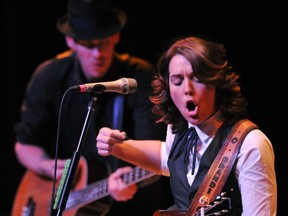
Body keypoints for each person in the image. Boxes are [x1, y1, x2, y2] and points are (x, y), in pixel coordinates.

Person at [13, 0, 169, 215]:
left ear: (116, 36)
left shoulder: (139, 78)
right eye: (88, 44)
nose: (98, 53)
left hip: (130, 205)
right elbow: (25, 145)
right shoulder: (49, 76)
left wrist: (130, 178)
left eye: (103, 42)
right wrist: (49, 167)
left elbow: (159, 153)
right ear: (71, 41)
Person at [96, 36, 277, 215]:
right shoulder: (179, 130)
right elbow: (167, 158)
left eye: (197, 78)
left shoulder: (250, 145)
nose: (187, 89)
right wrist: (117, 147)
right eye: (177, 81)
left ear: (216, 82)